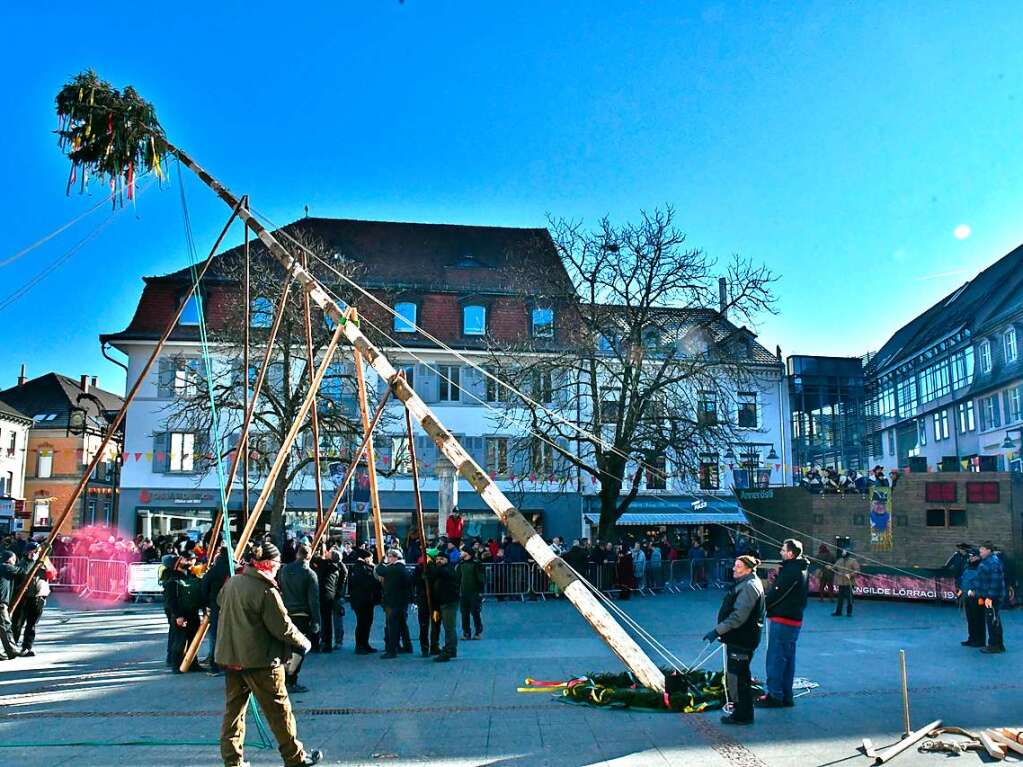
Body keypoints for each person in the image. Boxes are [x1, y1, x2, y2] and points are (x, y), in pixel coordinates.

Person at [215, 542, 322, 767]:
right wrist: (304, 642)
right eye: (276, 565)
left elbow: (219, 602)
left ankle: (232, 761)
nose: (278, 569)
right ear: (268, 564)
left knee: (233, 714)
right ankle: (295, 758)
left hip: (232, 658)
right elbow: (282, 626)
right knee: (279, 712)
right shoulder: (266, 590)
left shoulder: (233, 582)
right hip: (261, 661)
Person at [703, 555, 766, 725]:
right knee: (738, 675)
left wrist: (717, 631)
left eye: (738, 566)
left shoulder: (749, 586)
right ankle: (742, 711)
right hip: (739, 637)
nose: (734, 569)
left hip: (742, 639)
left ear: (747, 569)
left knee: (738, 677)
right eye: (734, 565)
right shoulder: (745, 583)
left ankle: (742, 714)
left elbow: (739, 616)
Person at [757, 539, 808, 708]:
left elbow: (777, 593)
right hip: (794, 619)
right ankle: (786, 695)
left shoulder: (791, 571)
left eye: (783, 549)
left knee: (776, 658)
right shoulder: (801, 569)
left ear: (790, 554)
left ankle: (775, 695)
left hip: (782, 618)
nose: (780, 552)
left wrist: (763, 606)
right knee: (788, 658)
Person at [279, 543, 320, 692]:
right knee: (300, 647)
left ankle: (284, 677)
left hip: (287, 612)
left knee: (287, 646)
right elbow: (313, 600)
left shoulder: (285, 570)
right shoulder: (309, 574)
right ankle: (291, 678)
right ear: (309, 556)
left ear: (297, 554)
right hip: (302, 614)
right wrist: (316, 621)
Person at [163, 549, 204, 672]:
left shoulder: (191, 576)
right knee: (179, 640)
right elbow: (171, 600)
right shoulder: (172, 580)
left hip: (193, 613)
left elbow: (197, 594)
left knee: (193, 640)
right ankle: (176, 664)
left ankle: (192, 663)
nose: (190, 562)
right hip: (181, 614)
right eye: (186, 560)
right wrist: (178, 615)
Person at [12, 543, 54, 658]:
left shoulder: (44, 561)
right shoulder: (22, 562)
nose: (35, 553)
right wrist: (32, 561)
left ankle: (27, 647)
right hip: (23, 597)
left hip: (38, 597)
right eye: (33, 551)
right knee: (17, 623)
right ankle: (12, 647)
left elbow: (52, 574)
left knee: (31, 625)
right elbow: (24, 573)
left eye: (37, 551)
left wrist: (43, 562)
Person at [375, 548, 412, 659]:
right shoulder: (402, 568)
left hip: (393, 601)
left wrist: (382, 561)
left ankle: (392, 650)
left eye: (390, 556)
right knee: (402, 624)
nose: (389, 558)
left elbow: (380, 570)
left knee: (393, 626)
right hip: (401, 601)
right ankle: (407, 646)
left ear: (395, 557)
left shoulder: (394, 568)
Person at [201, 546, 232, 674]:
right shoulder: (231, 569)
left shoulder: (214, 570)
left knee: (214, 635)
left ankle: (215, 663)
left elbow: (204, 587)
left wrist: (206, 603)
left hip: (215, 605)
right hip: (230, 605)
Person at [347, 549, 381, 655]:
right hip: (361, 600)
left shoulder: (364, 567)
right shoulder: (359, 568)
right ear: (365, 558)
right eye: (370, 558)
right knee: (362, 623)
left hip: (366, 600)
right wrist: (376, 581)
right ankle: (359, 645)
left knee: (367, 622)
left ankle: (365, 643)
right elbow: (366, 583)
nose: (371, 560)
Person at [310, 545, 342, 653]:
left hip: (323, 595)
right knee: (327, 620)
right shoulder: (334, 567)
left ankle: (320, 642)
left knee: (320, 619)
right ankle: (327, 643)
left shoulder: (325, 564)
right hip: (330, 595)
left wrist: (319, 549)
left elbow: (313, 558)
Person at [429, 549, 459, 662]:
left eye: (441, 559)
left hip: (449, 603)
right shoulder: (440, 571)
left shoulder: (449, 570)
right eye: (437, 559)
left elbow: (441, 573)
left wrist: (433, 567)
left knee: (449, 628)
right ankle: (451, 650)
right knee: (448, 628)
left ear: (447, 560)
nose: (438, 561)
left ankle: (448, 651)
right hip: (442, 603)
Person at [976, 542, 1005, 653]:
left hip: (992, 597)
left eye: (982, 550)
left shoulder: (993, 563)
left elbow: (995, 581)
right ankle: (996, 644)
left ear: (988, 550)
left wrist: (990, 597)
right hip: (988, 596)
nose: (980, 552)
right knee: (992, 619)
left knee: (992, 620)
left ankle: (995, 645)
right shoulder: (986, 561)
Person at [415, 550, 440, 657]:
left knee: (436, 623)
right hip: (424, 602)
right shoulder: (419, 568)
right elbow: (415, 581)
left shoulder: (437, 569)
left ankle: (434, 646)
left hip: (435, 603)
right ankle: (425, 647)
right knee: (424, 625)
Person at [959, 550, 985, 648]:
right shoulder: (967, 568)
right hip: (967, 597)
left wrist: (975, 591)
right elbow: (963, 580)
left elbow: (983, 582)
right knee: (970, 619)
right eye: (970, 556)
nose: (971, 558)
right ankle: (972, 638)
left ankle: (979, 640)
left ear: (978, 557)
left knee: (978, 619)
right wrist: (961, 590)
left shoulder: (981, 568)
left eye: (973, 556)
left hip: (977, 597)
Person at [457, 548, 485, 640]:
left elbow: (481, 579)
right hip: (463, 593)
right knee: (464, 614)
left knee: (475, 612)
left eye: (462, 551)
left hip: (474, 593)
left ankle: (478, 632)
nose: (460, 553)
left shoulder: (476, 564)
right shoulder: (461, 564)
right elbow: (458, 579)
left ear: (467, 553)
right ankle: (466, 632)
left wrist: (480, 591)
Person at [0, 550, 23, 660]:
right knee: (5, 626)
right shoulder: (6, 567)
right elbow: (23, 572)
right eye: (14, 559)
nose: (15, 562)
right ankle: (11, 650)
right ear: (9, 559)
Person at [832, 547, 860, 617]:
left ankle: (849, 612)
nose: (842, 553)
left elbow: (857, 570)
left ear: (847, 553)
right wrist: (830, 567)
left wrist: (850, 575)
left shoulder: (853, 561)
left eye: (843, 552)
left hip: (849, 583)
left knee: (849, 599)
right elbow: (834, 567)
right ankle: (838, 612)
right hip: (841, 583)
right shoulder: (839, 560)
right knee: (840, 599)